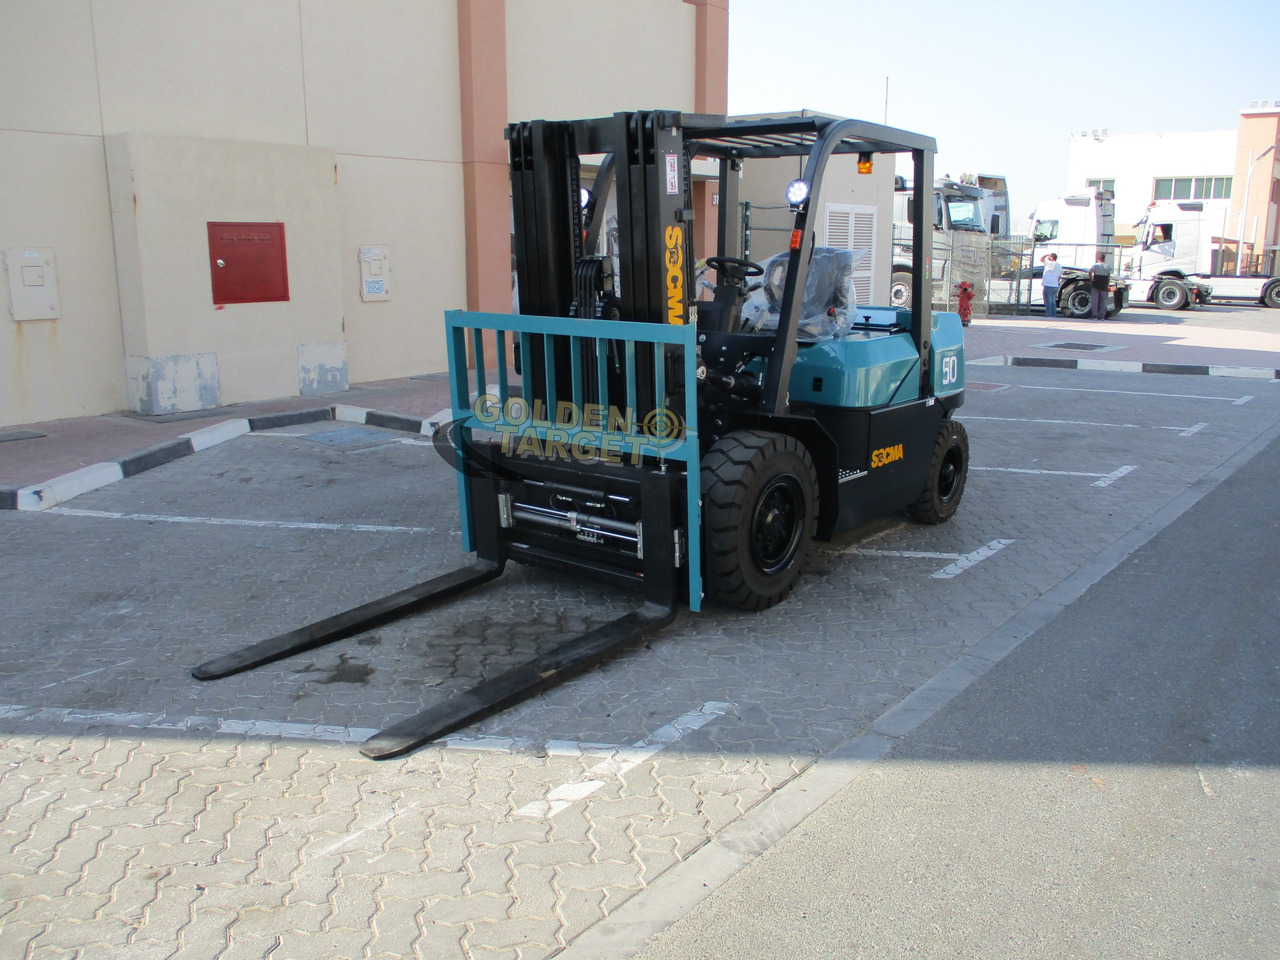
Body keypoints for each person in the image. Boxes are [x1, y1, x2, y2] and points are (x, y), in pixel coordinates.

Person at [1088, 253, 1111, 320]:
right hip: (1104, 284)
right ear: (1104, 259)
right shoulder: (1107, 266)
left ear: (1098, 258)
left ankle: (1094, 315)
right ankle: (1102, 316)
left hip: (1096, 283)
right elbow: (1109, 276)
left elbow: (1090, 272)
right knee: (1103, 301)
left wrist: (1091, 279)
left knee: (1095, 300)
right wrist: (1107, 283)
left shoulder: (1095, 265)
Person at [1041, 253, 1062, 317]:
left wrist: (1046, 255)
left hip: (1048, 285)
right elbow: (1059, 277)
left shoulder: (1050, 263)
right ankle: (1053, 314)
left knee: (1048, 301)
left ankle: (1049, 314)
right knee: (1053, 301)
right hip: (1055, 285)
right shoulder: (1059, 265)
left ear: (1051, 258)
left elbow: (1041, 259)